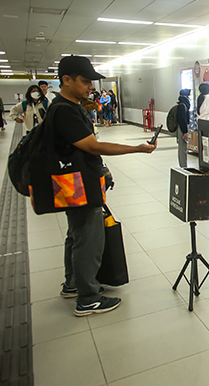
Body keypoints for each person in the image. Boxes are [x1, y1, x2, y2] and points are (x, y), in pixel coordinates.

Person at [49, 55, 156, 316]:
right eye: (85, 81)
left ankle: (73, 283)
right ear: (67, 80)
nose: (90, 87)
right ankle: (88, 298)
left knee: (76, 234)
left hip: (72, 182)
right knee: (88, 239)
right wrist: (136, 148)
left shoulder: (68, 105)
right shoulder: (64, 110)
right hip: (79, 184)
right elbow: (92, 146)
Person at [176, 89, 191, 168]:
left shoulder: (181, 104)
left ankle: (183, 165)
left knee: (183, 147)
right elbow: (182, 120)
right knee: (182, 148)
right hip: (183, 128)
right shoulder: (183, 105)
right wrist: (185, 132)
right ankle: (183, 166)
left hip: (183, 127)